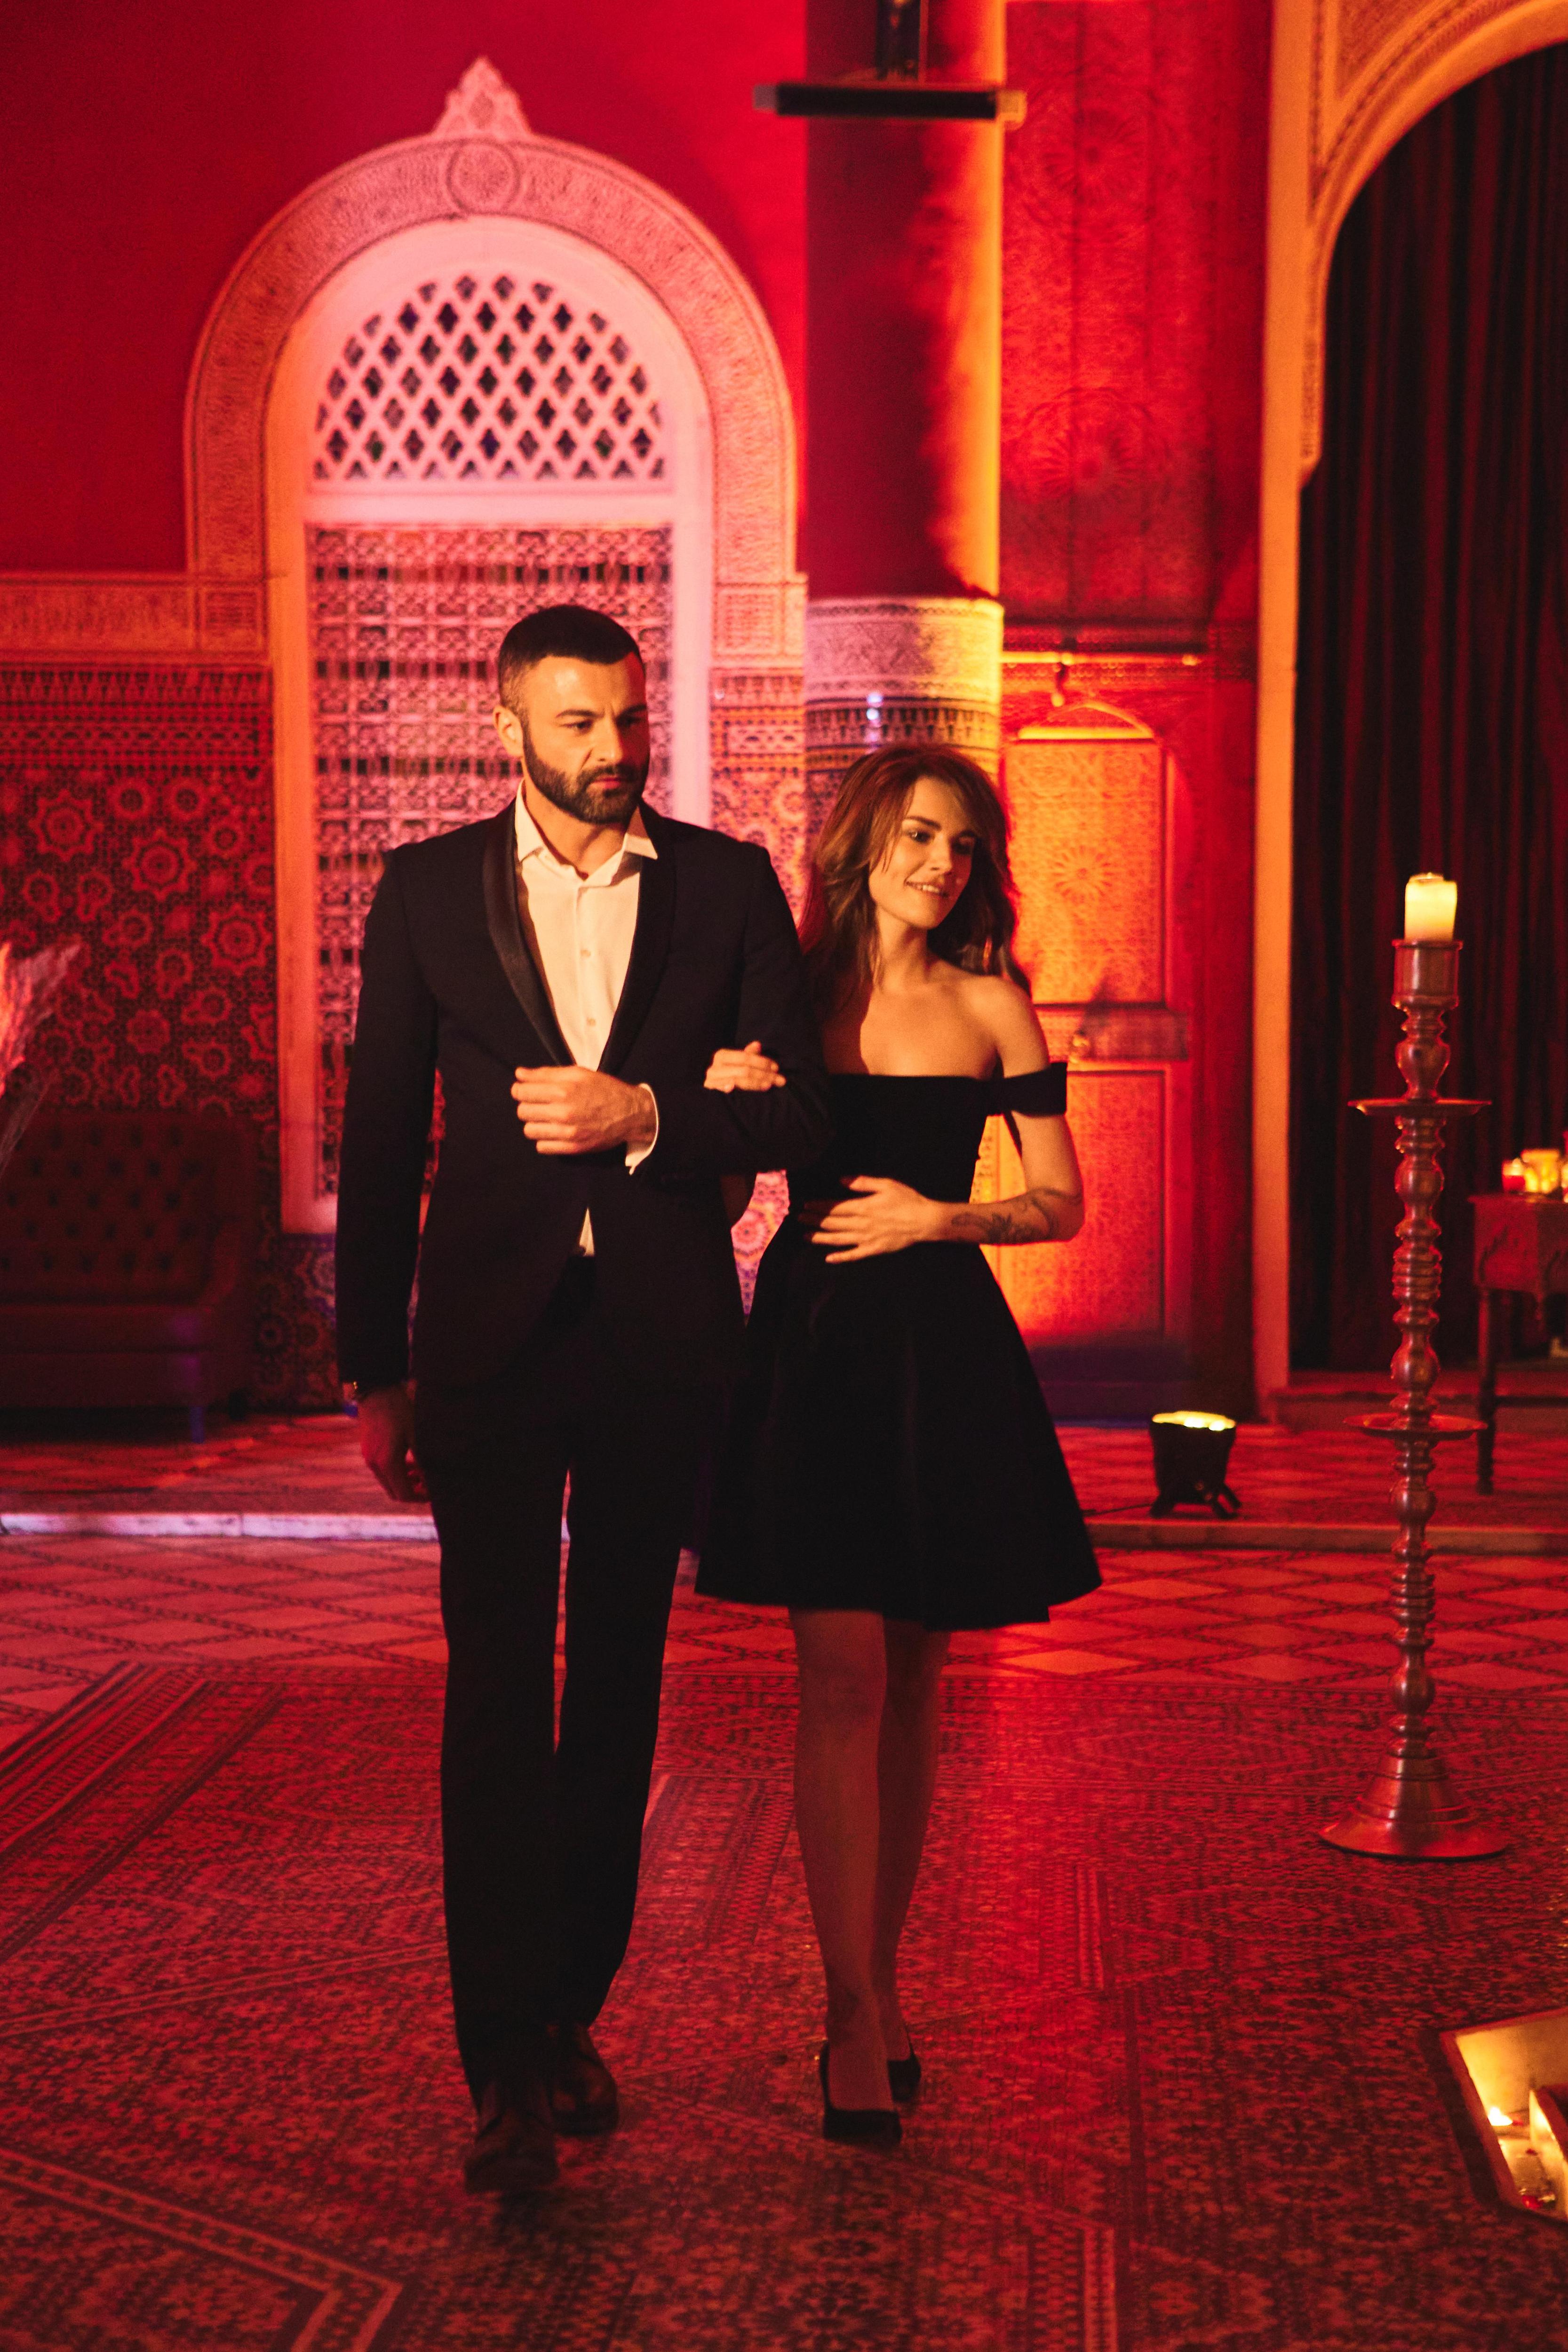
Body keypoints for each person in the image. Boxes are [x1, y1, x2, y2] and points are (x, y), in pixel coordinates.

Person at [335, 604, 831, 2193]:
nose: (615, 750)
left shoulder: (728, 886)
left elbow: (805, 1118)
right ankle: (498, 2060)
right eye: (579, 724)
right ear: (509, 728)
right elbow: (378, 1137)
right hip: (486, 1344)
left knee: (618, 1685)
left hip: (657, 1345)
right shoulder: (424, 892)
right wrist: (374, 1367)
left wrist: (649, 1114)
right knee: (494, 1692)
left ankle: (564, 2014)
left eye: (628, 718)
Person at [695, 744, 1100, 2146]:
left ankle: (881, 1983)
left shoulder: (994, 1007)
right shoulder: (788, 1001)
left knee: (919, 1671)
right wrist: (723, 1100)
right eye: (921, 835)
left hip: (941, 1347)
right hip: (814, 1344)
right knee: (843, 1670)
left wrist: (941, 1218)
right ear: (863, 842)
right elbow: (722, 1186)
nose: (942, 863)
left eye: (965, 844)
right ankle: (852, 2013)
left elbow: (1061, 1202)